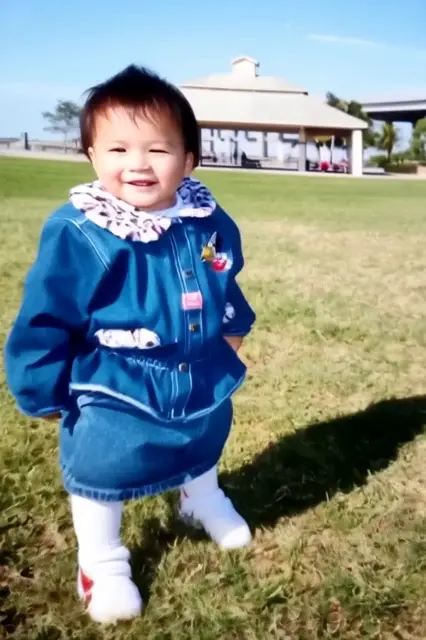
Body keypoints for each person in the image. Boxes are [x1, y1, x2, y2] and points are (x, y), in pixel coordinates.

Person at [4, 65, 256, 624]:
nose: (138, 164)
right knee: (104, 462)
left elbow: (223, 274)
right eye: (118, 149)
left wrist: (232, 327)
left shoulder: (206, 219)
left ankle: (200, 499)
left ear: (188, 160)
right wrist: (41, 387)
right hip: (115, 378)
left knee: (203, 433)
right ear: (92, 155)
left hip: (197, 365)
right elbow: (46, 315)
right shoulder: (80, 230)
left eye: (157, 149)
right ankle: (101, 559)